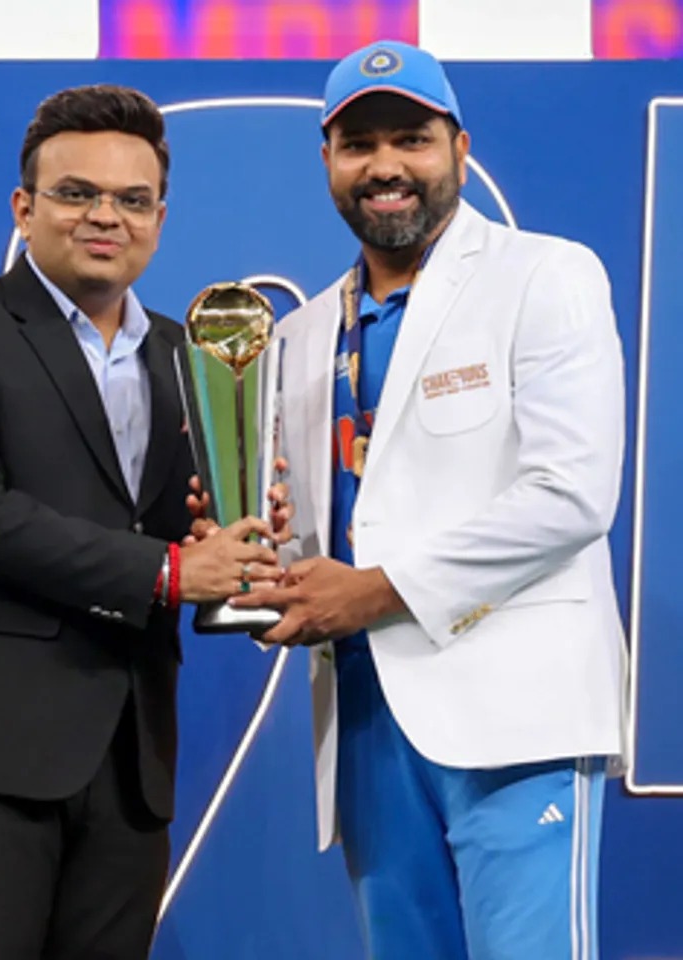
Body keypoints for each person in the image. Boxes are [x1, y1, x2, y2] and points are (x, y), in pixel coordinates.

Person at [0, 83, 283, 960]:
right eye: (77, 193)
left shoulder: (185, 354)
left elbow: (179, 527)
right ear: (25, 207)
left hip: (130, 756)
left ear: (159, 219)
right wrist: (167, 572)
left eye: (132, 199)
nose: (105, 217)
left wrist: (235, 543)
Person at [232, 40, 627, 960]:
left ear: (459, 148)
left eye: (411, 139)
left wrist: (371, 592)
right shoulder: (299, 335)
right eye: (359, 144)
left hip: (516, 712)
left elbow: (572, 494)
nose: (386, 166)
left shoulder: (546, 274)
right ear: (328, 161)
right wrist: (256, 568)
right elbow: (313, 528)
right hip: (367, 718)